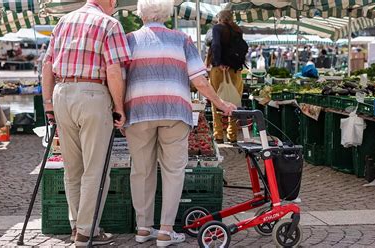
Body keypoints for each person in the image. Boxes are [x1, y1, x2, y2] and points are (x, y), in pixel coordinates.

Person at [124, 0, 236, 246]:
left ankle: (143, 228)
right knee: (173, 171)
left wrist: (117, 109)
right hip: (175, 111)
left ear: (140, 13)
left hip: (139, 111)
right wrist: (221, 104)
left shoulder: (129, 40)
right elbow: (200, 81)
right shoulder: (182, 40)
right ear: (166, 13)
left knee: (141, 171)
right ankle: (165, 231)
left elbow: (118, 78)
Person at [41, 0, 132, 246]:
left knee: (73, 169)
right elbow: (113, 70)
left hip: (62, 92)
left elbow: (47, 65)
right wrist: (120, 107)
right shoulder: (109, 23)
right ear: (110, 1)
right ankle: (86, 231)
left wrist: (48, 104)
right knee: (96, 168)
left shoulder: (64, 21)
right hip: (92, 93)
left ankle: (76, 227)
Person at [207, 10, 245, 143]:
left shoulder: (217, 28)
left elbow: (216, 45)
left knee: (215, 99)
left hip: (219, 70)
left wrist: (219, 62)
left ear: (220, 18)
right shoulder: (238, 30)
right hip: (235, 71)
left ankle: (218, 134)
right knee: (233, 101)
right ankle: (232, 134)